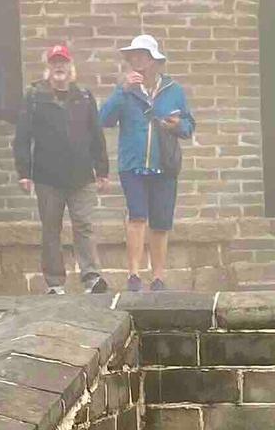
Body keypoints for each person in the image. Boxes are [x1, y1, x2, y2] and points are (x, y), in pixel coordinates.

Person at [98, 35, 194, 294]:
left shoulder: (173, 90)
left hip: (165, 163)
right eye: (133, 56)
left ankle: (159, 277)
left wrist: (178, 125)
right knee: (137, 216)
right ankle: (134, 274)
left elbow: (189, 126)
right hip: (133, 164)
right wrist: (122, 90)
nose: (136, 61)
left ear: (154, 61)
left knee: (161, 222)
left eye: (142, 55)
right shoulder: (125, 91)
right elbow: (104, 119)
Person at [14, 43, 110, 295]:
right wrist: (23, 172)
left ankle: (92, 277)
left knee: (84, 226)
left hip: (81, 176)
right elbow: (22, 137)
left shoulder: (85, 97)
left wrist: (102, 170)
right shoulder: (35, 97)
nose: (59, 67)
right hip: (47, 177)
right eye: (54, 63)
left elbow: (96, 134)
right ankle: (55, 282)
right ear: (48, 68)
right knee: (51, 229)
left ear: (71, 67)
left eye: (63, 63)